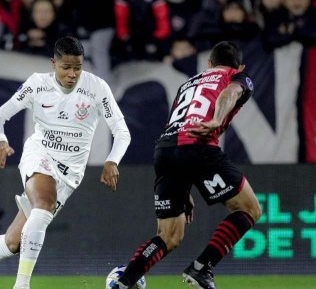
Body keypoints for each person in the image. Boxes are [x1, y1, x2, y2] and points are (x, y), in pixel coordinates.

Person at [0, 37, 132, 289]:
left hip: (70, 175)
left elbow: (122, 131)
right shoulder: (37, 84)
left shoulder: (97, 88)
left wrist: (112, 161)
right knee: (43, 204)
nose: (72, 74)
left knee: (13, 243)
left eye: (78, 67)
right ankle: (22, 285)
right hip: (39, 154)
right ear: (54, 63)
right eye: (66, 67)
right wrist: (0, 140)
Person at [111, 41, 262, 289]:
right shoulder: (237, 76)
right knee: (249, 209)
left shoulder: (187, 85)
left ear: (209, 64)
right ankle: (201, 269)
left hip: (166, 150)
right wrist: (216, 119)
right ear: (241, 66)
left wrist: (184, 184)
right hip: (199, 145)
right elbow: (230, 93)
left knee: (169, 236)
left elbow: (177, 123)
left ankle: (123, 283)